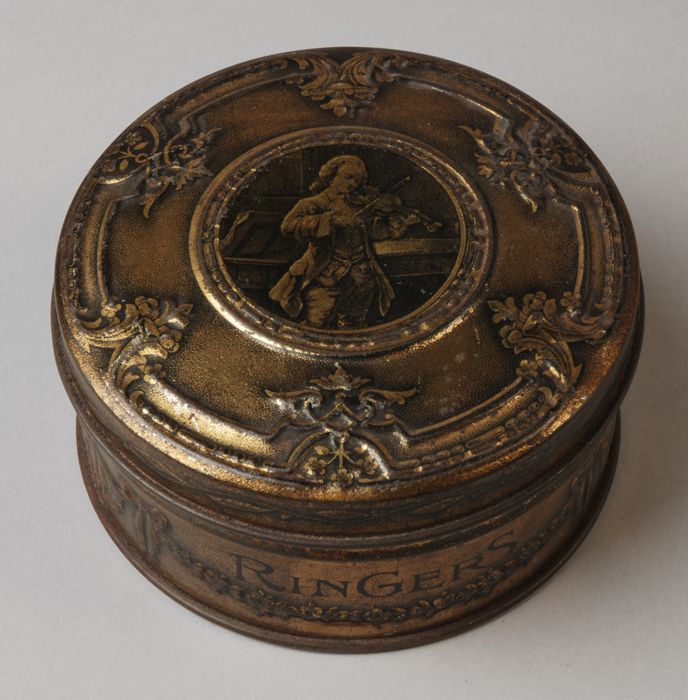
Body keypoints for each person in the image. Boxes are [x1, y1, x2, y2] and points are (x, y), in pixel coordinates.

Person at [268, 155, 424, 329]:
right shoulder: (313, 203)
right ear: (331, 176)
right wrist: (329, 220)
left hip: (361, 277)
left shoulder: (359, 205)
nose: (353, 184)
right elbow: (288, 226)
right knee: (317, 322)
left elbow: (375, 232)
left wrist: (401, 224)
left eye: (357, 180)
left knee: (354, 324)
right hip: (324, 275)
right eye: (348, 177)